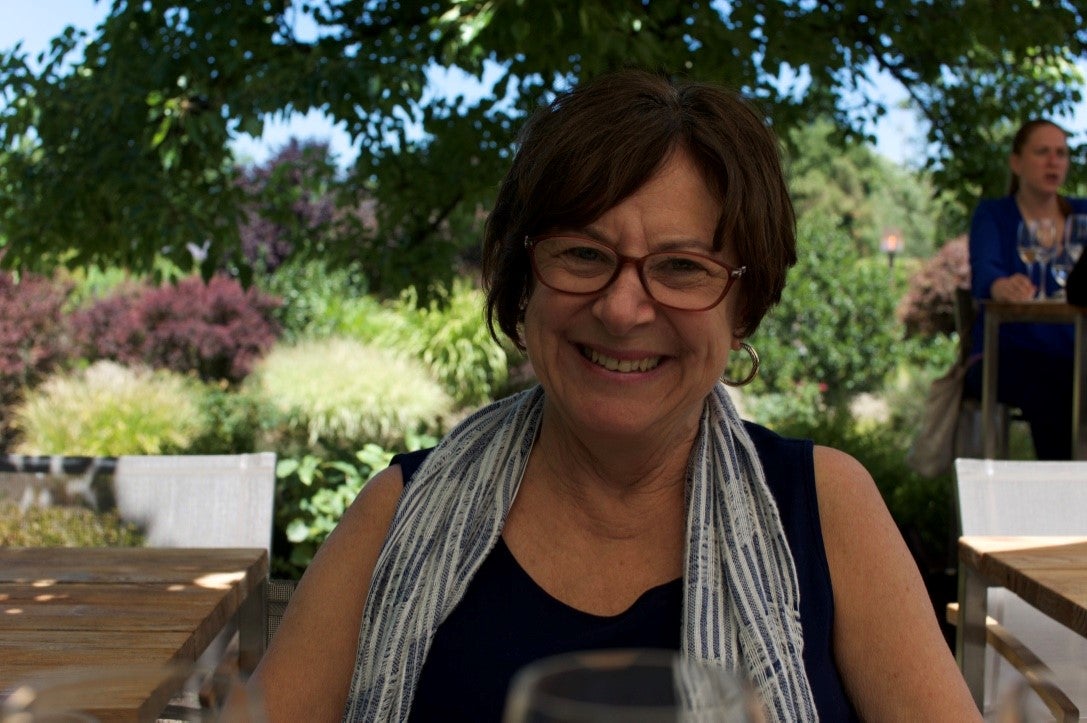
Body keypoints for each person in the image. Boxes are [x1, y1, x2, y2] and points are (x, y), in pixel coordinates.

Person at [248, 69, 980, 722]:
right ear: (523, 279)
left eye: (681, 266)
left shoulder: (826, 507)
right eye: (583, 255)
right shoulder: (395, 511)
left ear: (742, 305)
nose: (623, 309)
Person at [966, 119, 1087, 460]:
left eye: (1061, 153)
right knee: (1054, 384)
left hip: (1076, 352)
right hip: (1004, 354)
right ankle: (1062, 493)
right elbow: (985, 273)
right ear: (1016, 162)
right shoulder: (994, 215)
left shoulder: (1082, 214)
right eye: (1043, 152)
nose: (1054, 161)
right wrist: (1000, 285)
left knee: (1070, 376)